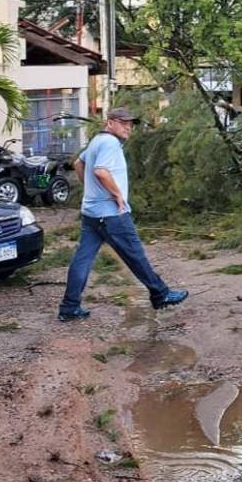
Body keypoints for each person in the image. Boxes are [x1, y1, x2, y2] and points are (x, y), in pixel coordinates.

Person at [58, 107, 188, 322]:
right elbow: (100, 171)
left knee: (82, 259)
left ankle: (69, 307)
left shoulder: (97, 141)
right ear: (110, 123)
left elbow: (78, 163)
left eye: (130, 123)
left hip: (91, 214)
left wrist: (90, 188)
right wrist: (117, 194)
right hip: (111, 214)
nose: (128, 127)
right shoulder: (109, 143)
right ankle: (161, 294)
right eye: (123, 122)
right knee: (136, 255)